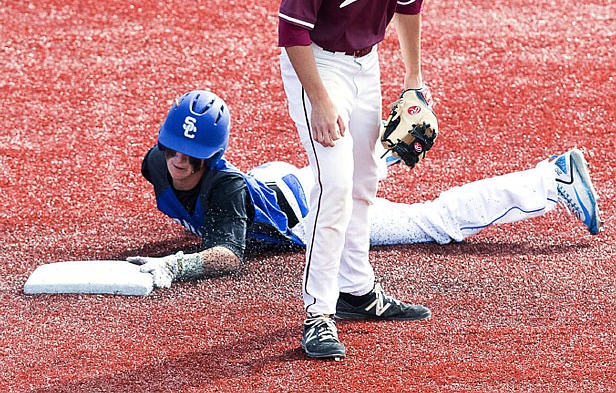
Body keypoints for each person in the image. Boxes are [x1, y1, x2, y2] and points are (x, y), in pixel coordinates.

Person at [128, 90, 602, 355]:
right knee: (351, 175)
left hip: (305, 208)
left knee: (428, 222)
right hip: (278, 184)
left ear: (212, 156)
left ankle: (550, 178)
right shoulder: (157, 162)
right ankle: (397, 142)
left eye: (192, 155)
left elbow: (229, 256)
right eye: (172, 149)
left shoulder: (223, 187)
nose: (178, 161)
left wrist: (175, 266)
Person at [276, 0, 438, 359]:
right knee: (335, 186)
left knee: (367, 179)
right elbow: (292, 30)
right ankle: (318, 312)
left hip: (365, 65)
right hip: (316, 67)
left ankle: (357, 291)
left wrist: (413, 80)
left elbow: (409, 4)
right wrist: (320, 100)